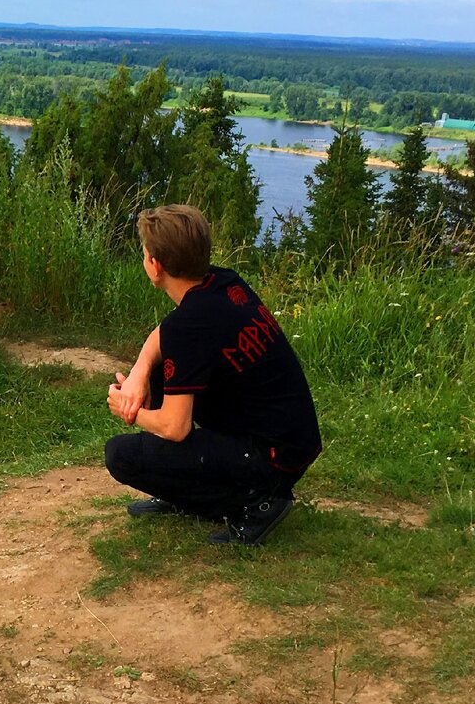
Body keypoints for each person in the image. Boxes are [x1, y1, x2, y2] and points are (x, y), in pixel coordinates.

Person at [105, 204, 320, 546]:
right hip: (293, 438)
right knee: (159, 374)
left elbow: (176, 428)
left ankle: (260, 503)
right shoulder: (223, 282)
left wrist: (129, 408)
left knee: (121, 455)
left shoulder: (189, 327)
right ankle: (181, 488)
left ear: (155, 265)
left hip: (273, 458)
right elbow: (165, 333)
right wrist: (139, 373)